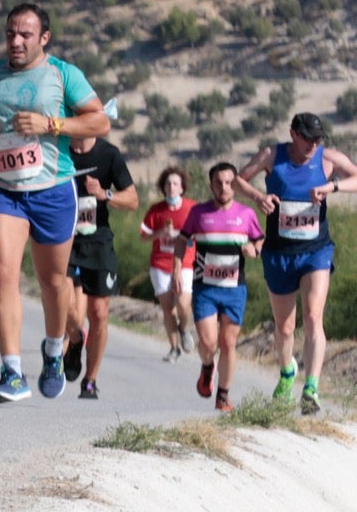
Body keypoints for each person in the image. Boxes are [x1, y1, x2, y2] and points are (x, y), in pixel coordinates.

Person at [0, 3, 110, 403]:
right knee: (2, 276)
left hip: (52, 189)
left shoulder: (63, 75)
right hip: (3, 189)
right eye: (11, 33)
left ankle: (52, 350)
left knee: (53, 282)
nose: (15, 41)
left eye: (25, 35)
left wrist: (52, 125)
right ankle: (12, 372)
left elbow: (99, 121)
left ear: (43, 38)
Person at [234, 112, 357, 414]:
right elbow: (236, 179)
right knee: (285, 327)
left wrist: (333, 188)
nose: (313, 145)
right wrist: (256, 196)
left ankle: (311, 388)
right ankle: (287, 371)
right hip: (279, 252)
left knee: (314, 315)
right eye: (308, 138)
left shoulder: (328, 159)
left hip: (316, 250)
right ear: (293, 134)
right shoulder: (271, 155)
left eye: (318, 139)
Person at [180, 162, 265, 412]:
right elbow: (181, 240)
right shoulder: (198, 213)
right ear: (211, 186)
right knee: (208, 343)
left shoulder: (246, 214)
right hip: (205, 288)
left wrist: (255, 250)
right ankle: (207, 367)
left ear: (235, 186)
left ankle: (223, 396)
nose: (224, 187)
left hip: (234, 289)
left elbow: (259, 240)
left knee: (228, 343)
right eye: (219, 183)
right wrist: (177, 268)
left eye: (229, 182)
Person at [62, 133, 137, 399]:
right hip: (63, 239)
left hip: (98, 241)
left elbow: (132, 200)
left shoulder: (109, 154)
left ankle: (90, 380)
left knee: (99, 314)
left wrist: (104, 193)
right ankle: (75, 339)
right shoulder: (58, 149)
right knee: (66, 307)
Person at [139, 167, 198, 362]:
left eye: (175, 184)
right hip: (160, 264)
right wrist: (159, 234)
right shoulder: (156, 211)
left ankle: (184, 328)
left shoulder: (192, 208)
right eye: (167, 184)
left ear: (182, 188)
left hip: (186, 263)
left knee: (182, 302)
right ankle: (174, 348)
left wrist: (187, 238)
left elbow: (201, 232)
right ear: (163, 188)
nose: (171, 187)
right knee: (167, 308)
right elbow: (143, 235)